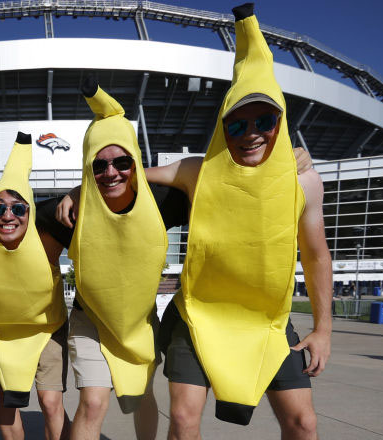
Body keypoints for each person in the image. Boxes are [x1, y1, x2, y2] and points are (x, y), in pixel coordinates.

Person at [60, 4, 330, 438]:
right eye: (237, 124)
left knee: (303, 422)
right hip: (198, 315)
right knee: (183, 420)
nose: (251, 132)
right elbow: (130, 175)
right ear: (223, 126)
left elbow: (317, 257)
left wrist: (323, 329)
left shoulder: (304, 183)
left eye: (264, 120)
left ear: (281, 119)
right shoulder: (197, 171)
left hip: (267, 319)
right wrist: (81, 188)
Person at [36, 77, 191, 440]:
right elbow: (18, 237)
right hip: (90, 319)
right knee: (93, 402)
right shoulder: (67, 214)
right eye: (98, 165)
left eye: (122, 161)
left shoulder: (162, 201)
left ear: (135, 161)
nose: (111, 173)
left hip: (139, 321)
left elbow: (211, 177)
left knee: (142, 394)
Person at [0, 133, 71, 440]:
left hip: (47, 329)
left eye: (18, 209)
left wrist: (76, 195)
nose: (8, 216)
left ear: (30, 214)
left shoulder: (47, 242)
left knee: (50, 400)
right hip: (5, 333)